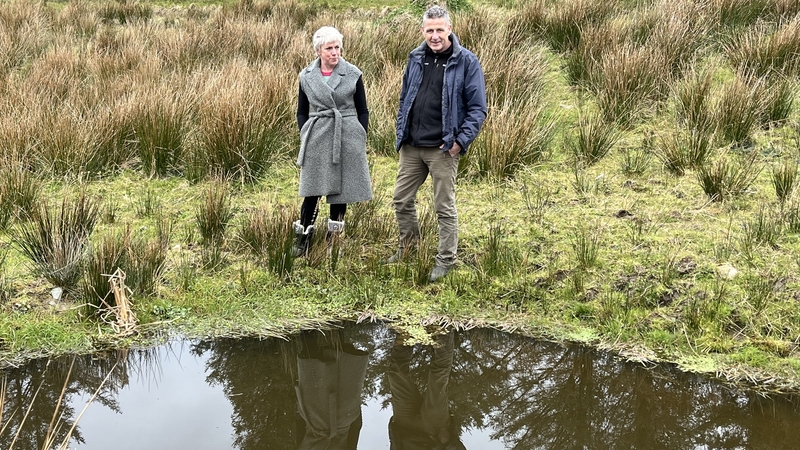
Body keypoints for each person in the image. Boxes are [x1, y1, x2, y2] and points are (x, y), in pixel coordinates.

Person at [389, 5, 487, 282]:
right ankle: (409, 247)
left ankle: (446, 260)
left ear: (450, 30)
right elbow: (404, 98)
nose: (434, 36)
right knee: (401, 199)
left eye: (439, 30)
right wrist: (401, 130)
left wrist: (460, 142)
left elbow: (478, 108)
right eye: (430, 30)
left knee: (443, 206)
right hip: (411, 145)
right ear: (423, 30)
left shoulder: (467, 61)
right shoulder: (416, 58)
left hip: (443, 148)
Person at [294, 26, 372, 256]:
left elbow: (363, 109)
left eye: (337, 47)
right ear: (319, 50)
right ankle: (303, 238)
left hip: (346, 134)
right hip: (317, 135)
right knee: (312, 189)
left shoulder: (353, 73)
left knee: (341, 190)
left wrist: (360, 134)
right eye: (329, 48)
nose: (334, 52)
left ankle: (332, 240)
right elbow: (301, 111)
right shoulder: (306, 76)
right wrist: (305, 132)